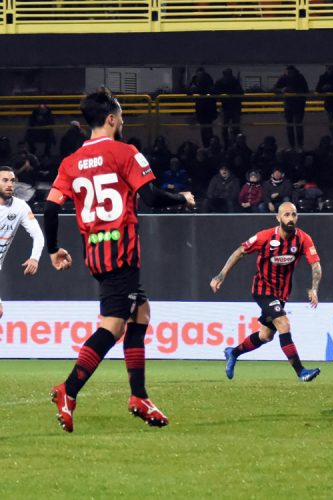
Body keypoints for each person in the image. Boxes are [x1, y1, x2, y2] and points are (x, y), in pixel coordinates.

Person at [44, 89, 196, 433]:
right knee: (113, 325)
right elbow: (153, 197)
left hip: (96, 252)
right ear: (111, 119)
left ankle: (138, 395)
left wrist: (53, 250)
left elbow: (51, 208)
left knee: (140, 313)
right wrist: (182, 198)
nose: (123, 121)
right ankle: (68, 390)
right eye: (122, 116)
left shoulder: (70, 162)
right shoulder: (126, 153)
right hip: (122, 253)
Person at [210, 201, 322, 382]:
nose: (290, 218)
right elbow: (240, 251)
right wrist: (221, 275)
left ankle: (233, 352)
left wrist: (314, 288)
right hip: (263, 289)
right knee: (283, 323)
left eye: (293, 214)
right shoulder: (265, 237)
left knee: (266, 335)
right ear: (278, 218)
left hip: (282, 293)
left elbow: (315, 265)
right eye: (286, 214)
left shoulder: (303, 239)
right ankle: (301, 371)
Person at [0, 165, 44, 319]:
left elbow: (38, 235)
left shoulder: (20, 207)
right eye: (5, 180)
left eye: (12, 180)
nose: (10, 184)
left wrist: (34, 258)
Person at [273, 66, 309, 152]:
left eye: (291, 72)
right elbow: (274, 89)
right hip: (288, 105)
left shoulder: (300, 78)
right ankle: (292, 146)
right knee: (289, 126)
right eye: (288, 72)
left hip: (298, 105)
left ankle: (300, 146)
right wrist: (282, 90)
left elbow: (306, 90)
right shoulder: (284, 78)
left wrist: (295, 91)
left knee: (298, 125)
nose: (290, 74)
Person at [214, 68, 245, 150]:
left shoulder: (234, 81)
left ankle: (236, 144)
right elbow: (215, 92)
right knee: (225, 128)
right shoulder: (221, 82)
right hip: (227, 107)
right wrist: (223, 96)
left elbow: (241, 92)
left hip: (233, 106)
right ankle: (227, 145)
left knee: (235, 128)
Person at [188, 67, 217, 148]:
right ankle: (207, 146)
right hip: (202, 108)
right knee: (204, 129)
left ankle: (210, 146)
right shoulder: (196, 80)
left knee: (207, 129)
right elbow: (189, 91)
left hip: (208, 108)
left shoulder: (207, 80)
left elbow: (211, 90)